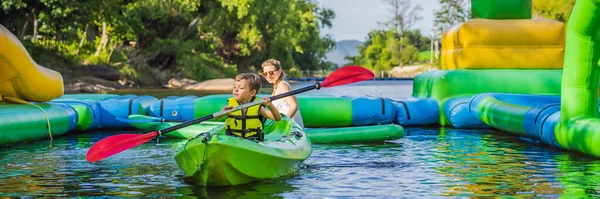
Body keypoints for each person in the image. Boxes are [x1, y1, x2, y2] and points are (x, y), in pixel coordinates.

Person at [219, 73, 281, 141]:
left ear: (252, 93)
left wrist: (270, 105)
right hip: (233, 140)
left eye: (241, 88)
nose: (236, 90)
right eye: (234, 87)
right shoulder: (231, 105)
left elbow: (277, 118)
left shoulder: (258, 106)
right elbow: (217, 118)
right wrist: (222, 113)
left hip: (253, 141)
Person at [261, 59, 304, 128]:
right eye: (265, 74)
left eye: (271, 72)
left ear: (279, 71)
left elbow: (294, 106)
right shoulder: (277, 87)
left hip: (291, 127)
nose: (268, 76)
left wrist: (283, 124)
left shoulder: (282, 85)